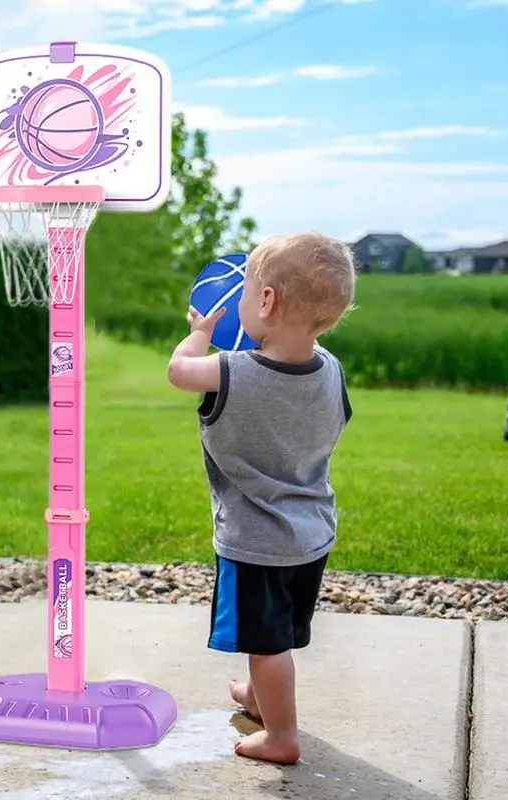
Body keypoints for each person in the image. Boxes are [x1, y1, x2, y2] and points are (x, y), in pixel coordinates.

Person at [167, 232, 355, 765]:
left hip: (256, 542)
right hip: (312, 533)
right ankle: (258, 694)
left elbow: (179, 372)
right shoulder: (332, 370)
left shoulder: (231, 372)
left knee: (267, 643)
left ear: (266, 302)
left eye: (246, 291)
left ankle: (281, 736)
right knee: (277, 633)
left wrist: (199, 334)